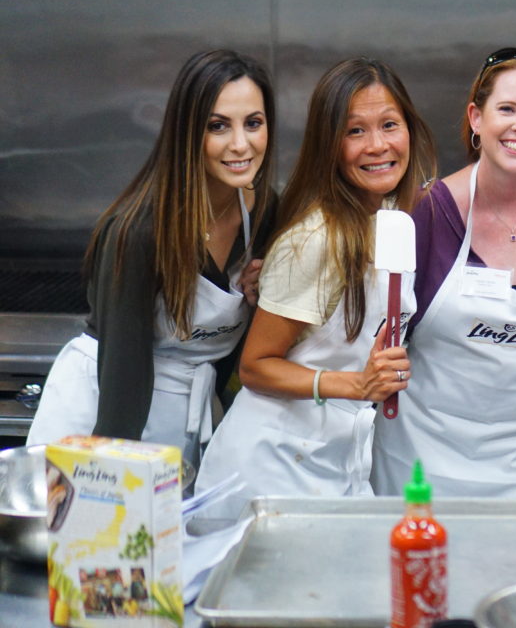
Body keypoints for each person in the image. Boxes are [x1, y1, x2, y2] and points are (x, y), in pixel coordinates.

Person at [195, 57, 437, 516]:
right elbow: (256, 366)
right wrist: (357, 383)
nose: (378, 145)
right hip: (271, 468)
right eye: (355, 132)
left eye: (390, 124)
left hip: (334, 461)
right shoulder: (316, 239)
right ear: (330, 144)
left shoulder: (389, 219)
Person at [27, 49, 277, 468]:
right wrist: (111, 480)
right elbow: (124, 381)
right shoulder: (138, 232)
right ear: (186, 132)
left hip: (184, 418)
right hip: (105, 415)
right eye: (218, 126)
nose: (241, 144)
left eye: (253, 123)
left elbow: (238, 357)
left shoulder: (263, 209)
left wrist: (264, 294)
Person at [371, 48, 516, 497]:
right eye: (506, 109)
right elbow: (363, 323)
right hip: (418, 463)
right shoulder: (425, 212)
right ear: (476, 117)